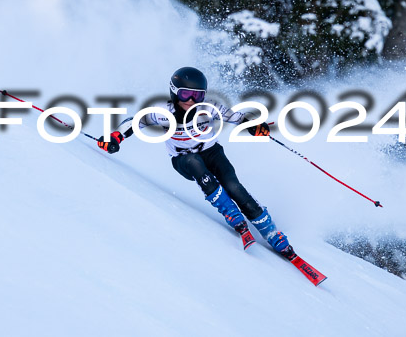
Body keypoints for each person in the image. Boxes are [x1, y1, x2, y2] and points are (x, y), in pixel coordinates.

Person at [96, 66, 291, 254]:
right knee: (194, 162)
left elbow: (236, 117)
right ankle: (231, 214)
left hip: (212, 153)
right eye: (185, 95)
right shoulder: (162, 112)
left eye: (196, 95)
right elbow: (135, 121)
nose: (190, 100)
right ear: (174, 93)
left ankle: (270, 231)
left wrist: (253, 125)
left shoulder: (209, 108)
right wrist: (115, 137)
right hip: (183, 159)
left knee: (234, 187)